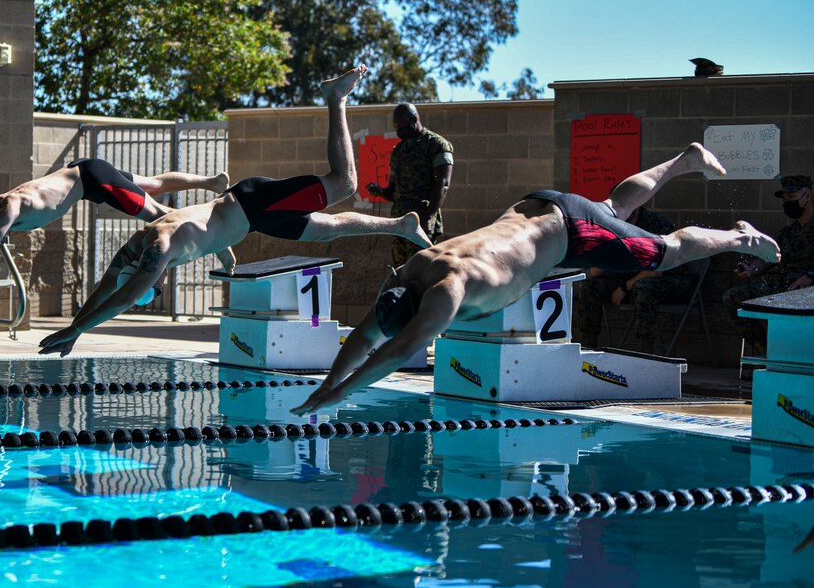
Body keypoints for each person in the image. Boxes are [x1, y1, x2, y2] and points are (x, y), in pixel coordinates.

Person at [291, 143, 781, 415]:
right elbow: (366, 335)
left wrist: (341, 392)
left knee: (667, 253)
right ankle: (684, 160)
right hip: (535, 206)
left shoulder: (446, 289)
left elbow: (395, 350)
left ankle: (736, 235)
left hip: (569, 231)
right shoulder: (412, 270)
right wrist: (329, 381)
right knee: (613, 207)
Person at [39, 65, 433, 356]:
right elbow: (105, 291)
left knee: (344, 183)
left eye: (152, 284)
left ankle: (336, 99)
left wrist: (77, 331)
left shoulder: (157, 246)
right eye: (154, 287)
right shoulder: (133, 251)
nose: (157, 284)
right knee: (327, 229)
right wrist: (76, 325)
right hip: (252, 217)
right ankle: (400, 224)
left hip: (252, 202)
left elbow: (123, 297)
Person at [0, 158, 229, 289]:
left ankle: (219, 240)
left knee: (162, 217)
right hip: (86, 175)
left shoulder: (8, 209)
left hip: (93, 181)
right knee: (154, 185)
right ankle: (211, 182)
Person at [575, 205, 697, 353]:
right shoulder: (612, 224)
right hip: (633, 277)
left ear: (636, 209)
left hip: (671, 279)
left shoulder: (654, 224)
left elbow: (656, 271)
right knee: (590, 286)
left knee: (643, 287)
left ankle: (645, 351)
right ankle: (588, 347)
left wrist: (625, 287)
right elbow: (596, 272)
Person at [721, 174, 814, 354]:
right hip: (782, 287)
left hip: (806, 292)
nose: (787, 203)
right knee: (734, 297)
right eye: (785, 199)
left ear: (807, 197)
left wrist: (811, 275)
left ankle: (790, 358)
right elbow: (768, 257)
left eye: (792, 197)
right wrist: (750, 270)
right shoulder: (789, 232)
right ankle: (765, 352)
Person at [366, 103, 454, 267]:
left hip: (422, 222)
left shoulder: (436, 145)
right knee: (400, 271)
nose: (399, 132)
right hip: (399, 223)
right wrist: (380, 191)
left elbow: (443, 184)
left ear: (414, 120)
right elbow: (392, 192)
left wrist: (428, 218)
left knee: (419, 271)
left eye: (402, 127)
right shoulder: (399, 151)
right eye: (396, 128)